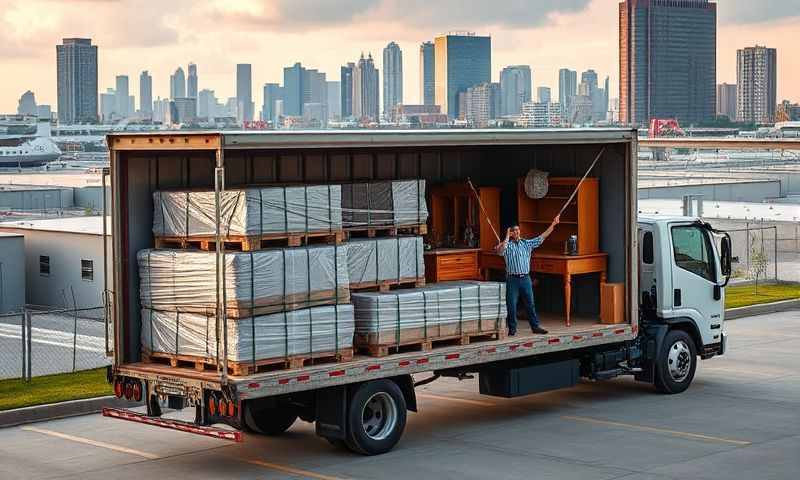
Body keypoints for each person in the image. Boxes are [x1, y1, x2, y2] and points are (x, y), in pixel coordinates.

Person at [496, 216, 560, 336]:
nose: (516, 232)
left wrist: (553, 224)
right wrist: (506, 237)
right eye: (513, 230)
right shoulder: (507, 245)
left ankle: (535, 327)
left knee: (530, 303)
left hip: (525, 278)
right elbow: (500, 251)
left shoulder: (526, 244)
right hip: (512, 279)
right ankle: (512, 329)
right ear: (510, 233)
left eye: (517, 230)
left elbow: (542, 237)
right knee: (511, 305)